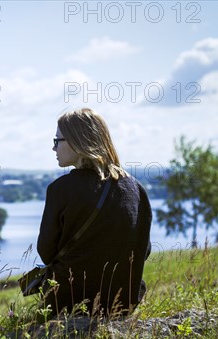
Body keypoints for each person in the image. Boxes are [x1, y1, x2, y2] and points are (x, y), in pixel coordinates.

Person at [37, 108, 152, 320]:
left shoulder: (60, 189)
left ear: (77, 142)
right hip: (121, 304)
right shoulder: (136, 188)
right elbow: (143, 250)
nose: (54, 148)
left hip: (67, 302)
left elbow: (46, 252)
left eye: (57, 140)